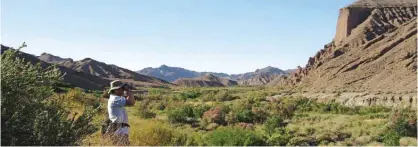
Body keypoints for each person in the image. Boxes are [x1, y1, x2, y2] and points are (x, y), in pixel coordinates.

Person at [104, 80, 135, 145]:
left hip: (121, 130)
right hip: (118, 131)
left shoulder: (116, 98)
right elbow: (130, 102)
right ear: (116, 90)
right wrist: (128, 90)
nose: (124, 90)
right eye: (122, 88)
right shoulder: (115, 99)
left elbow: (132, 102)